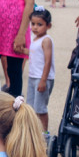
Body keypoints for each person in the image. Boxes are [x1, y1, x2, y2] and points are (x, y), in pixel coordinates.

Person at [26, 9, 54, 139]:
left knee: (40, 108)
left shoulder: (46, 40)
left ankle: (44, 134)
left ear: (49, 26)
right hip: (32, 77)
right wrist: (23, 50)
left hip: (42, 79)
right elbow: (34, 53)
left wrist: (43, 80)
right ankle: (33, 134)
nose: (35, 27)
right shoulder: (35, 39)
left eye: (39, 24)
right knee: (31, 108)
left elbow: (47, 61)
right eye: (33, 24)